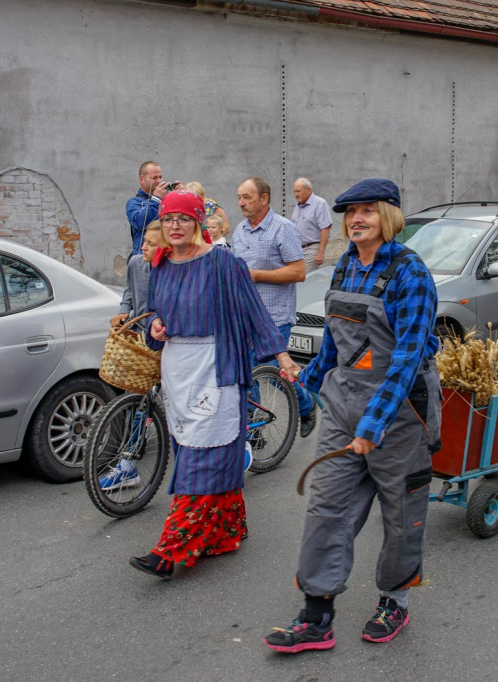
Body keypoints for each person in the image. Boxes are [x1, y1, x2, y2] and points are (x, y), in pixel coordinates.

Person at [265, 178, 440, 654]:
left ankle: (394, 601)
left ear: (389, 216)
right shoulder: (345, 265)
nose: (356, 219)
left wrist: (374, 424)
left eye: (367, 210)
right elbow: (339, 342)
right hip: (345, 407)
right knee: (327, 507)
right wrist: (307, 378)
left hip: (400, 413)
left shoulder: (410, 273)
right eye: (351, 213)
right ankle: (316, 616)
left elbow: (407, 358)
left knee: (401, 513)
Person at [128, 190, 299, 579]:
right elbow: (153, 311)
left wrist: (282, 356)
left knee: (202, 455)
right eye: (168, 219)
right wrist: (155, 325)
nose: (174, 226)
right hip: (178, 368)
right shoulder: (162, 264)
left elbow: (254, 311)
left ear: (197, 224)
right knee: (192, 447)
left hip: (216, 366)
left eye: (183, 219)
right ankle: (227, 530)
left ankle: (172, 549)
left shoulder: (224, 263)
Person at [231, 177, 317, 437]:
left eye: (247, 197)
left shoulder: (283, 228)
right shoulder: (239, 231)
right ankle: (254, 427)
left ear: (264, 198)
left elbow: (299, 272)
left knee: (273, 371)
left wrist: (257, 275)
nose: (241, 203)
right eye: (239, 197)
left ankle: (306, 404)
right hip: (244, 316)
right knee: (247, 373)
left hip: (274, 316)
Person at [110, 221, 161, 332]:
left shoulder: (174, 272)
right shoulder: (135, 263)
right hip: (138, 330)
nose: (143, 247)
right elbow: (129, 288)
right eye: (144, 241)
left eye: (151, 244)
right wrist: (124, 310)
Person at [126, 161, 171, 256]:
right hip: (144, 257)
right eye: (154, 178)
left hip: (166, 256)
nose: (159, 181)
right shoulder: (134, 202)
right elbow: (140, 223)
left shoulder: (165, 200)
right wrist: (156, 199)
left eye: (160, 177)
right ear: (141, 179)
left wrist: (180, 195)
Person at [291, 177, 333, 273]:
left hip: (312, 249)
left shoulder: (320, 204)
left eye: (298, 191)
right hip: (298, 250)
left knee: (305, 277)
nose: (296, 195)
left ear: (308, 190)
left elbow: (325, 228)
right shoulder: (297, 206)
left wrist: (320, 252)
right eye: (294, 192)